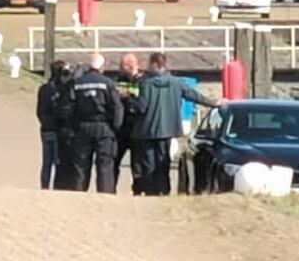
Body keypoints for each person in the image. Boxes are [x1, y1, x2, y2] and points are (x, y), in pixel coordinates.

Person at [132, 52, 219, 196]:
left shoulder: (146, 84)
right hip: (167, 130)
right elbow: (194, 96)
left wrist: (131, 101)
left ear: (153, 64)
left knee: (148, 163)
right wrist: (213, 103)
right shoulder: (177, 83)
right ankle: (164, 190)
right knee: (163, 162)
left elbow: (141, 107)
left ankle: (150, 191)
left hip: (147, 131)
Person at [71, 53, 124, 194]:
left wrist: (74, 126)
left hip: (83, 127)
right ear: (102, 66)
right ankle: (106, 195)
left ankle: (78, 194)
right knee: (105, 164)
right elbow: (117, 107)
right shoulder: (107, 83)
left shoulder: (78, 83)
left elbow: (71, 107)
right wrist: (115, 127)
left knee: (81, 164)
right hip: (104, 128)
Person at [114, 53, 144, 193]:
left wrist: (127, 96)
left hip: (137, 126)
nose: (120, 69)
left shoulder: (143, 81)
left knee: (137, 163)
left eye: (122, 66)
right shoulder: (118, 80)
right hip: (121, 127)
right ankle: (110, 189)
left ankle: (137, 191)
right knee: (114, 160)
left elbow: (143, 101)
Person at [36, 60, 66, 190]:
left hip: (46, 128)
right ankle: (58, 186)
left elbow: (39, 111)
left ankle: (45, 186)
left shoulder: (43, 89)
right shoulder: (63, 88)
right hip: (59, 129)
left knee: (47, 162)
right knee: (60, 161)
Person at [53, 62, 78, 190]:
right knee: (64, 161)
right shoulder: (60, 88)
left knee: (66, 161)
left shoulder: (67, 88)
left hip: (67, 129)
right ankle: (64, 186)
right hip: (65, 129)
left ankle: (67, 186)